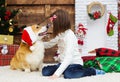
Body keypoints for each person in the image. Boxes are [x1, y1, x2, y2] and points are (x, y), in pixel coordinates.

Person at [42, 9, 105, 79]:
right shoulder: (59, 34)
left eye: (53, 24)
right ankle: (63, 69)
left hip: (74, 64)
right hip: (63, 63)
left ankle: (92, 71)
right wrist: (36, 45)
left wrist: (56, 74)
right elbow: (49, 44)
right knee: (45, 71)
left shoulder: (69, 36)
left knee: (69, 75)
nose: (52, 26)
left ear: (59, 24)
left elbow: (69, 58)